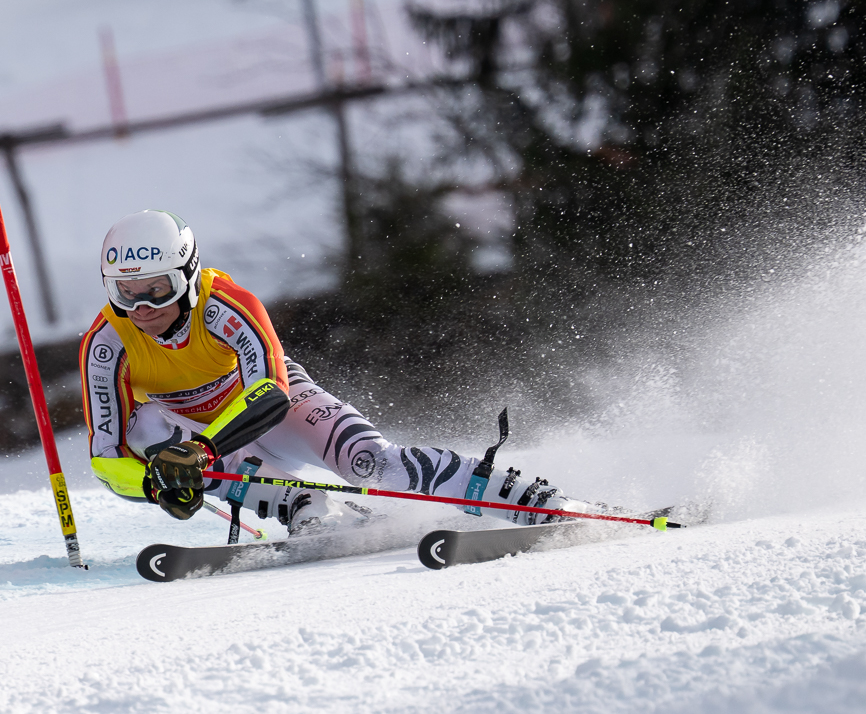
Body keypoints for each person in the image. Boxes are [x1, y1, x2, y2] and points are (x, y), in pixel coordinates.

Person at [81, 210, 594, 534]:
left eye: (158, 287)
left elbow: (269, 394)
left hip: (272, 412)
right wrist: (156, 485)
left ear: (189, 277)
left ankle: (524, 497)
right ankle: (296, 504)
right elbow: (105, 459)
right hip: (206, 438)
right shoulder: (105, 344)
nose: (142, 306)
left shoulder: (225, 306)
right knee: (146, 431)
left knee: (372, 464)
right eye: (126, 291)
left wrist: (205, 450)